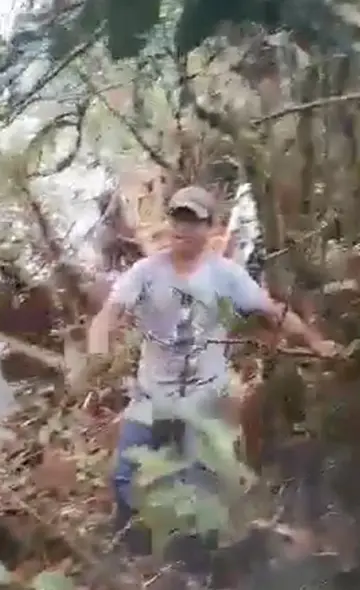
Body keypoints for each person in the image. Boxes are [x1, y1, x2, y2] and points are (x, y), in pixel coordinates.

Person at [86, 185, 339, 560]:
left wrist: (316, 342)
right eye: (176, 217)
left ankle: (196, 566)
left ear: (210, 227)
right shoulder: (146, 272)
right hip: (152, 394)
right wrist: (97, 350)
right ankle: (131, 550)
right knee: (124, 477)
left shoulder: (227, 276)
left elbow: (273, 312)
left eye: (192, 221)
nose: (182, 228)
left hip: (205, 397)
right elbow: (109, 314)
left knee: (199, 488)